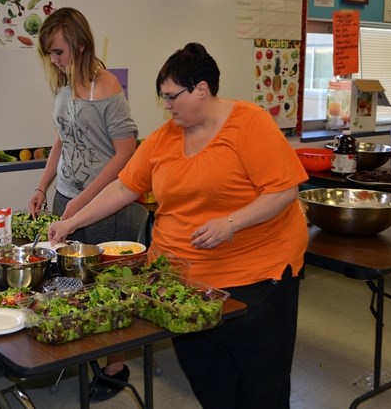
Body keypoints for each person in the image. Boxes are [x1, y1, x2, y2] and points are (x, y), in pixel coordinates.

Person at [48, 42, 309, 409]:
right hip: (182, 283)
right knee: (208, 376)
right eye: (163, 98)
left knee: (262, 383)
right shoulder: (165, 137)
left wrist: (231, 223)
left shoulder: (250, 123)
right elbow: (125, 186)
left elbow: (283, 191)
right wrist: (72, 222)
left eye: (172, 97)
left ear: (201, 88)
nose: (166, 106)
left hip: (255, 279)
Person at [29, 7, 138, 400]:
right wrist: (44, 187)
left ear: (79, 44)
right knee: (69, 282)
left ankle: (116, 365)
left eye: (58, 52)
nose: (54, 61)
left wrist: (83, 201)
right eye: (50, 55)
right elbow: (61, 137)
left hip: (105, 204)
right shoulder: (64, 85)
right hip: (67, 197)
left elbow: (125, 153)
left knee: (105, 285)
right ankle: (81, 348)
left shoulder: (107, 88)